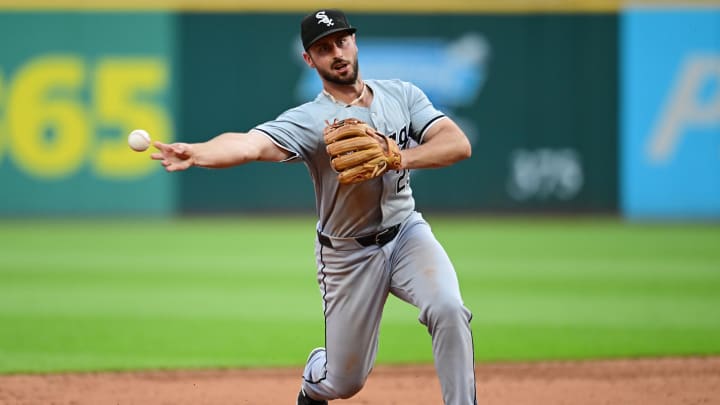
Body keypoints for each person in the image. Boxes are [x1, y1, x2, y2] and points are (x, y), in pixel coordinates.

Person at [151, 9, 477, 405]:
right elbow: (251, 144)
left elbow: (457, 144)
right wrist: (199, 152)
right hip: (347, 254)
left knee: (448, 308)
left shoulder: (403, 95)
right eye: (323, 48)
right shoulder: (310, 120)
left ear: (354, 41)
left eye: (341, 41)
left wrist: (397, 156)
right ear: (309, 59)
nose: (336, 53)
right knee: (344, 382)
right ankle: (312, 381)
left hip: (407, 233)